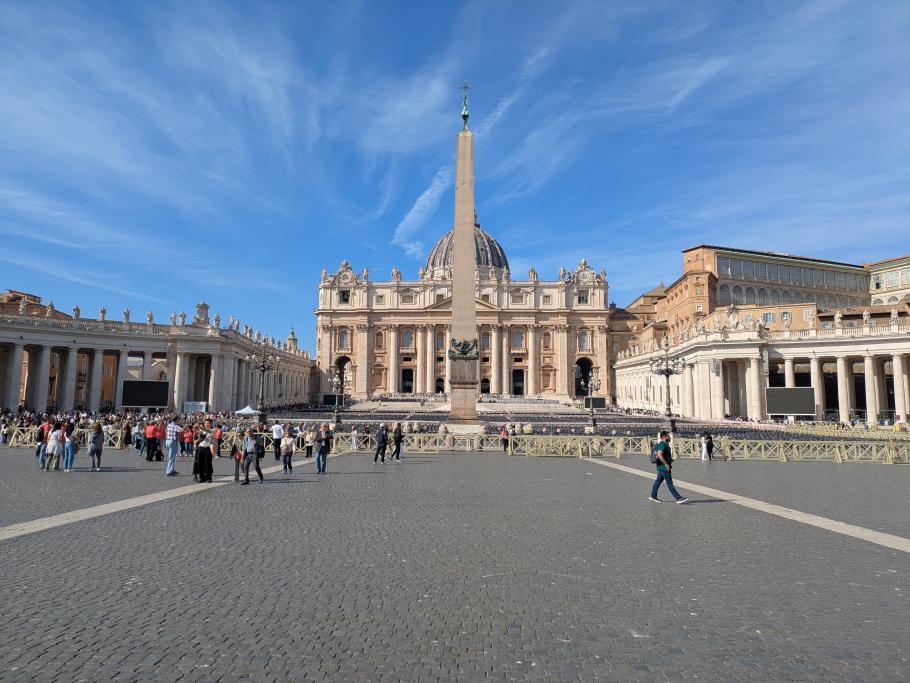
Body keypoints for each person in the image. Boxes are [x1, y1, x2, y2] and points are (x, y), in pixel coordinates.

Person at [650, 430, 688, 504]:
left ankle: (653, 496)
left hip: (661, 467)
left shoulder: (665, 444)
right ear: (664, 436)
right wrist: (666, 464)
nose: (670, 436)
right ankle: (678, 498)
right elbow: (660, 454)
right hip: (664, 467)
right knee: (669, 483)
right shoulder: (662, 444)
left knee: (658, 481)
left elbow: (663, 455)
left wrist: (670, 460)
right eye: (668, 435)